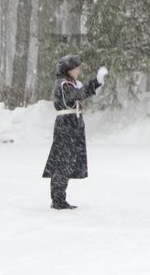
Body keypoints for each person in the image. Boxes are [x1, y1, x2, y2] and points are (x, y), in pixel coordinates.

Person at [42, 55, 107, 210]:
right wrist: (95, 82)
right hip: (66, 125)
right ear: (69, 69)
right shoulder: (63, 85)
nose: (79, 71)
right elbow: (77, 95)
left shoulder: (69, 83)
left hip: (71, 124)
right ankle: (58, 199)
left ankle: (59, 197)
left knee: (67, 161)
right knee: (62, 162)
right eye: (76, 68)